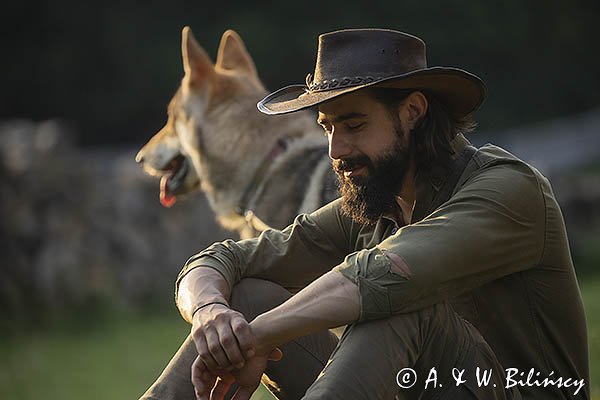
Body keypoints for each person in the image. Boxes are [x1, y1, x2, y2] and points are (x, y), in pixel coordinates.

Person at [140, 29, 589, 400]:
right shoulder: (377, 205)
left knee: (400, 304)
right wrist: (211, 314)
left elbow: (384, 277)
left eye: (354, 126)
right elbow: (221, 259)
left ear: (413, 112)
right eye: (328, 129)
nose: (336, 151)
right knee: (248, 295)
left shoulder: (510, 190)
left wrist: (256, 337)